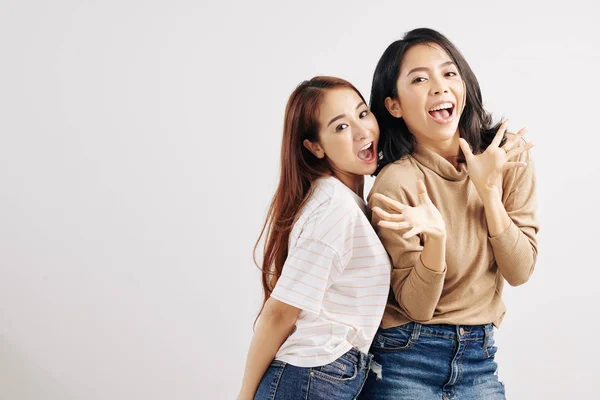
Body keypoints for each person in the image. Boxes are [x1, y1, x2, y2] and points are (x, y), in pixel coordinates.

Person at [359, 28, 539, 400]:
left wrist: (490, 195)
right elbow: (417, 306)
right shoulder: (396, 183)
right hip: (405, 357)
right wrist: (435, 241)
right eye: (420, 79)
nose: (439, 87)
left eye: (449, 73)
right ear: (393, 106)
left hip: (479, 357)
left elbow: (519, 270)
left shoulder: (507, 155)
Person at [237, 76, 391, 400]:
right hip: (311, 380)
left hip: (323, 378)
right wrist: (244, 397)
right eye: (340, 127)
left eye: (362, 114)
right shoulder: (335, 209)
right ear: (315, 146)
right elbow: (279, 314)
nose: (362, 131)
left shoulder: (343, 203)